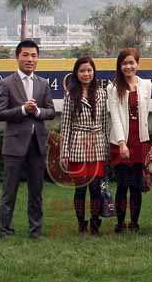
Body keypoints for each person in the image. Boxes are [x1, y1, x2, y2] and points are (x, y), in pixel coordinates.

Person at [0, 39, 55, 239]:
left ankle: (35, 230)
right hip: (14, 145)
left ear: (37, 58)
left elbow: (51, 111)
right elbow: (0, 113)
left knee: (36, 191)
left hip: (37, 145)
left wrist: (37, 111)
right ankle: (6, 230)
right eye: (26, 55)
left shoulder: (43, 83)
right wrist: (23, 109)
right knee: (9, 191)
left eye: (33, 55)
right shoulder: (6, 83)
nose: (30, 59)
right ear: (17, 57)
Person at [59, 55, 109, 235]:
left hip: (97, 145)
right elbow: (65, 126)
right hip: (77, 146)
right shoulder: (70, 95)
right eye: (82, 71)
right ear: (76, 73)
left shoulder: (102, 93)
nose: (86, 74)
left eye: (89, 70)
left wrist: (107, 149)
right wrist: (64, 152)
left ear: (94, 72)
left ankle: (95, 223)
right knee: (80, 189)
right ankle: (82, 223)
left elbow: (105, 123)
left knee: (95, 188)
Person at [107, 47, 152, 233]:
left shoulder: (146, 84)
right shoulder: (113, 88)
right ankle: (120, 223)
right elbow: (116, 117)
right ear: (120, 65)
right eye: (124, 63)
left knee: (136, 185)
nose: (128, 66)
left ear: (137, 64)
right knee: (123, 184)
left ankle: (134, 223)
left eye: (132, 63)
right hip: (121, 142)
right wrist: (122, 143)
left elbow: (145, 114)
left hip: (140, 141)